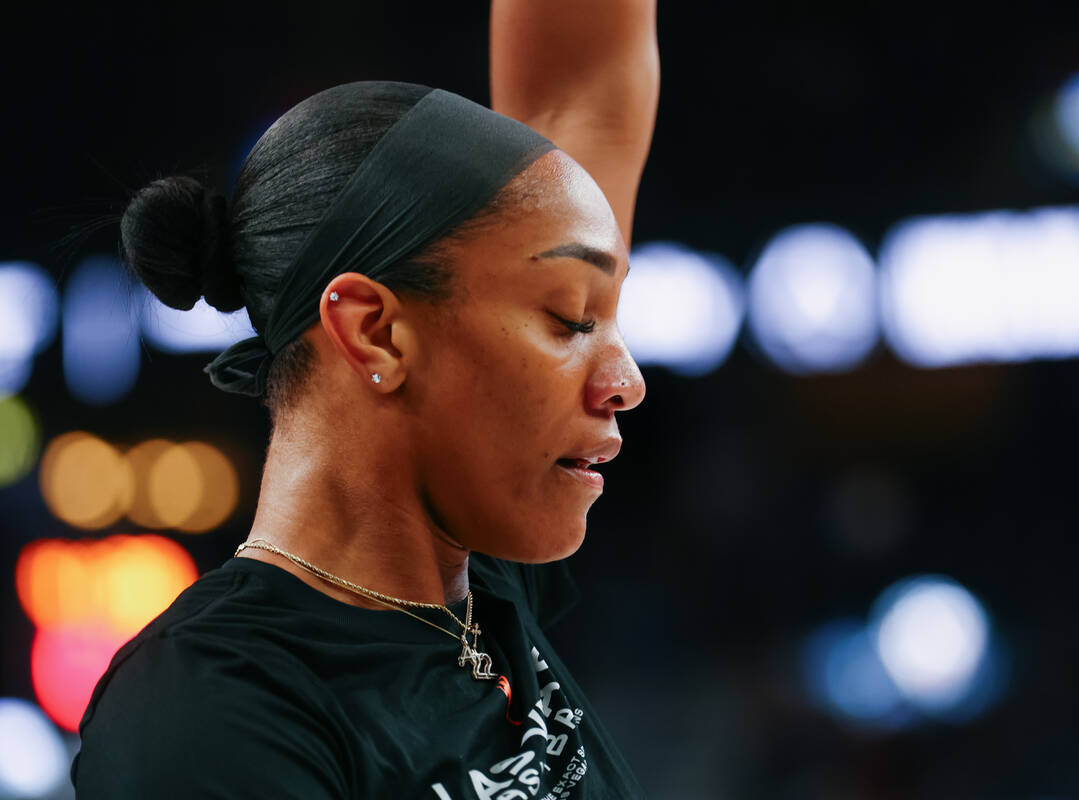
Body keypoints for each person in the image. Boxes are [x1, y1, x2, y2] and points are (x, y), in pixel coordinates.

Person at [71, 1, 659, 797]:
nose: (626, 380)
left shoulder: (472, 573)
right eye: (570, 318)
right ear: (376, 333)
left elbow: (581, 86)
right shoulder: (207, 713)